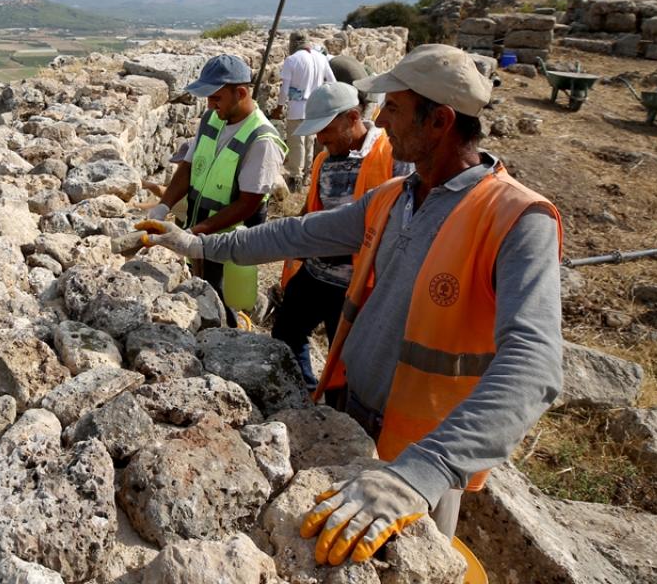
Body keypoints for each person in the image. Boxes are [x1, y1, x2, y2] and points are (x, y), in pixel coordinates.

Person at [137, 44, 563, 566]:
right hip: (353, 421)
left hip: (422, 458)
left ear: (440, 121)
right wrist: (196, 244)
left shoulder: (517, 218)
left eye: (395, 109)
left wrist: (422, 473)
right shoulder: (396, 196)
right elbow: (295, 234)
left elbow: (535, 366)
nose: (380, 121)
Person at [273, 82, 412, 394]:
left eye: (326, 130)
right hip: (316, 273)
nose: (320, 139)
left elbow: (405, 224)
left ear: (352, 118)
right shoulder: (323, 161)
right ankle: (305, 396)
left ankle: (335, 413)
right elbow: (312, 211)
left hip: (360, 285)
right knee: (286, 333)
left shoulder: (392, 155)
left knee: (346, 367)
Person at [146, 54, 286, 328]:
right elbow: (188, 168)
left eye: (216, 98)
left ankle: (229, 335)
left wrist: (193, 235)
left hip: (229, 243)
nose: (210, 105)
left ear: (241, 93)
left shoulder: (262, 140)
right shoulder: (212, 118)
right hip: (200, 230)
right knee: (201, 290)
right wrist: (163, 206)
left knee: (223, 301)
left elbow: (248, 204)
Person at [277, 32, 335, 191]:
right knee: (310, 142)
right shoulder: (321, 58)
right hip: (315, 108)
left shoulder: (292, 60)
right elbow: (332, 82)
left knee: (297, 144)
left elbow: (285, 89)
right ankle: (307, 176)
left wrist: (279, 107)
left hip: (297, 108)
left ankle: (295, 177)